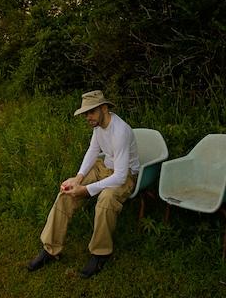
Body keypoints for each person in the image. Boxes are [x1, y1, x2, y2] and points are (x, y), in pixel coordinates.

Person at [26, 90, 141, 278]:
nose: (88, 117)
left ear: (104, 108)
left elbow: (120, 176)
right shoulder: (98, 126)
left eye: (92, 112)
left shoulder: (120, 131)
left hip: (126, 174)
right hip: (103, 166)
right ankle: (50, 249)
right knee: (67, 192)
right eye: (86, 113)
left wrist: (86, 190)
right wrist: (78, 179)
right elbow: (93, 151)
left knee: (106, 199)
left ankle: (100, 253)